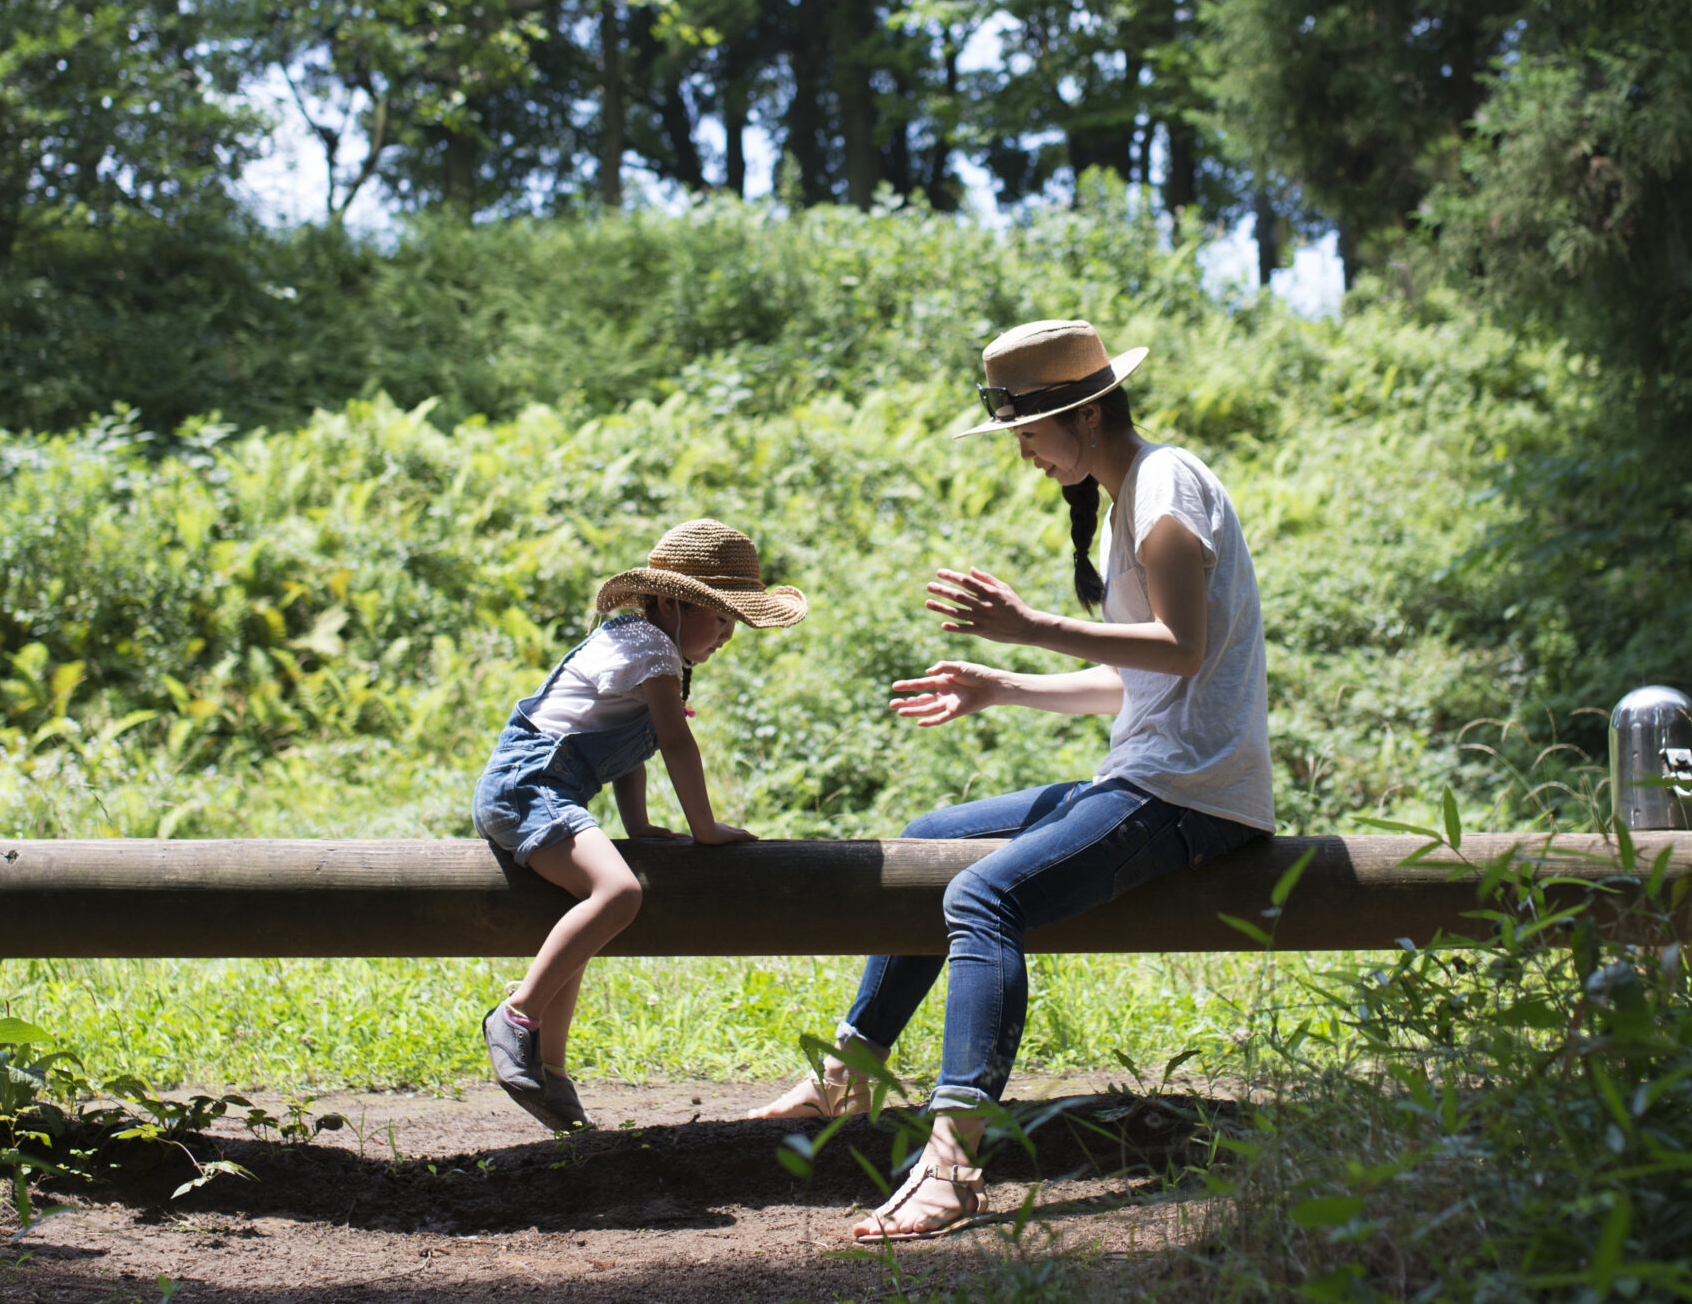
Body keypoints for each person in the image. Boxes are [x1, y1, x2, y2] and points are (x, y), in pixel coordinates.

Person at [748, 319, 1275, 1241]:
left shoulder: (1165, 485)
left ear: (1081, 412)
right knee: (929, 837)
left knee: (981, 895)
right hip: (1152, 775)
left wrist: (1030, 627)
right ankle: (849, 1072)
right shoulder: (1131, 497)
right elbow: (1137, 676)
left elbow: (1185, 650)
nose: (1024, 453)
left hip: (1191, 795)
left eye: (1025, 433)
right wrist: (1004, 687)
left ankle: (953, 1163)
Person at [474, 520, 804, 1131]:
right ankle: (515, 1016)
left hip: (544, 786)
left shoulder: (645, 644)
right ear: (675, 603)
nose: (728, 636)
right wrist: (704, 829)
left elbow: (629, 747)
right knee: (619, 892)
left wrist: (640, 825)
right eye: (722, 618)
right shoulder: (651, 649)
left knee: (583, 920)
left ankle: (550, 1074)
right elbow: (676, 742)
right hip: (530, 786)